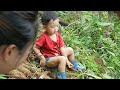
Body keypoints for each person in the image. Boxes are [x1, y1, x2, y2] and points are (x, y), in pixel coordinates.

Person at [33, 11, 85, 79]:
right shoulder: (44, 37)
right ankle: (62, 76)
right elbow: (35, 47)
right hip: (49, 59)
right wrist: (41, 57)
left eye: (57, 26)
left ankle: (75, 66)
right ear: (44, 27)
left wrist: (67, 60)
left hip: (57, 54)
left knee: (70, 50)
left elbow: (62, 48)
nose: (55, 29)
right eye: (52, 27)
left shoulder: (57, 35)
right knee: (62, 59)